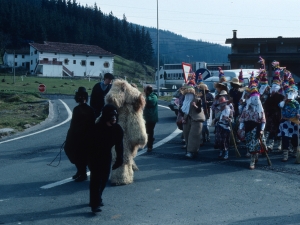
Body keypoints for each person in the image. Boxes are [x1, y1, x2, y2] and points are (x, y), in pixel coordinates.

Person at [88, 104, 124, 213]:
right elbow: (88, 144)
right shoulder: (96, 128)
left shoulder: (117, 129)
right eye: (111, 115)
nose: (114, 118)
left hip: (106, 156)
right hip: (94, 156)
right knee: (95, 180)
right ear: (105, 116)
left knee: (104, 179)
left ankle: (97, 198)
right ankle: (95, 204)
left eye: (115, 115)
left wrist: (119, 159)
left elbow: (119, 145)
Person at [64, 87, 95, 182]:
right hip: (75, 136)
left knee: (82, 155)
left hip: (86, 136)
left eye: (82, 96)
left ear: (85, 97)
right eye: (79, 96)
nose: (81, 98)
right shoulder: (76, 109)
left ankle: (83, 173)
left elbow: (92, 124)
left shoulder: (90, 110)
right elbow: (72, 124)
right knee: (70, 150)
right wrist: (69, 136)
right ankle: (79, 171)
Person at [239, 84, 266, 169]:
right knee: (250, 145)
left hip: (256, 129)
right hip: (248, 129)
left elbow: (263, 121)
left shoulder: (260, 110)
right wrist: (240, 128)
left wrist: (262, 129)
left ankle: (252, 161)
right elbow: (242, 119)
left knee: (254, 145)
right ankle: (255, 156)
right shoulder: (246, 109)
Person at [181, 75, 205, 158]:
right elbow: (183, 110)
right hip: (187, 118)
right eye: (187, 93)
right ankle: (189, 150)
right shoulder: (185, 101)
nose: (188, 94)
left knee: (193, 135)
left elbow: (199, 109)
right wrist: (183, 118)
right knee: (186, 134)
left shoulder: (198, 99)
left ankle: (191, 151)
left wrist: (195, 106)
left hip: (196, 119)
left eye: (190, 93)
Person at [143, 85, 158, 152]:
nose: (144, 91)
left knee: (150, 132)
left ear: (148, 91)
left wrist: (144, 98)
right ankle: (150, 141)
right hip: (146, 118)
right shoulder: (148, 96)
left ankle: (150, 146)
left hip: (151, 118)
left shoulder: (153, 97)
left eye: (145, 90)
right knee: (146, 131)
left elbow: (150, 102)